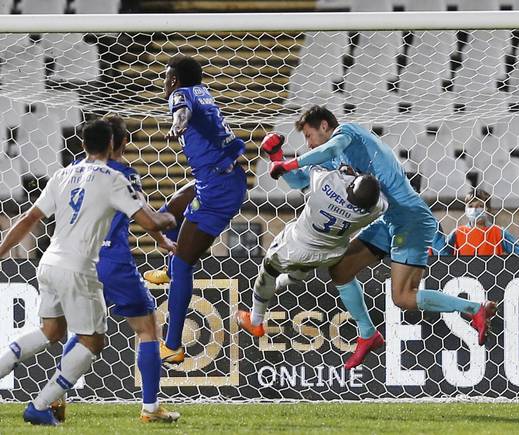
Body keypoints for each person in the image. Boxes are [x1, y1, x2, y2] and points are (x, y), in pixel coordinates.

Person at [268, 106, 497, 347]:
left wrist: (290, 163)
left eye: (308, 136)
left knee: (404, 297)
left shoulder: (348, 133)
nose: (308, 144)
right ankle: (368, 334)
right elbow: (298, 180)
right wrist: (276, 156)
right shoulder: (330, 160)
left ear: (324, 125)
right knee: (340, 269)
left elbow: (330, 148)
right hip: (387, 221)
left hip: (411, 220)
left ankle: (473, 309)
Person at [0, 120, 176, 426]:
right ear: (112, 145)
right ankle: (43, 404)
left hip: (49, 263)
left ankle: (53, 399)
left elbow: (29, 218)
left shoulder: (62, 174)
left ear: (82, 146)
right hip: (88, 266)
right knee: (102, 338)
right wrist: (169, 219)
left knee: (52, 332)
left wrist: (1, 252)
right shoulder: (116, 177)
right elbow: (148, 220)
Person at [55, 115, 180, 423]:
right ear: (121, 142)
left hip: (80, 260)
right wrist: (164, 233)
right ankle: (150, 408)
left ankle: (56, 395)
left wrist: (159, 238)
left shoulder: (74, 170)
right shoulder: (124, 174)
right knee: (147, 329)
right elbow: (143, 213)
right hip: (114, 262)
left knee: (85, 331)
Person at [236, 146, 388, 369]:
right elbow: (382, 200)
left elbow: (312, 168)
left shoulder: (324, 186)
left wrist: (343, 170)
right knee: (301, 270)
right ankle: (290, 281)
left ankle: (256, 320)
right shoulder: (373, 210)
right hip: (330, 255)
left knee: (267, 271)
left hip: (295, 246)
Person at [147, 55, 247, 365]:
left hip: (217, 190)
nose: (165, 83)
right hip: (219, 177)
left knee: (184, 263)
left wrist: (177, 125)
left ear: (174, 79)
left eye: (166, 77)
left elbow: (182, 111)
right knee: (169, 212)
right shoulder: (201, 90)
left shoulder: (180, 95)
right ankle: (168, 269)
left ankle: (173, 345)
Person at [441, 190, 519, 256]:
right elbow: (442, 255)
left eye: (480, 206)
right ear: (465, 209)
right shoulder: (458, 233)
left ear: (488, 209)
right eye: (470, 206)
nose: (475, 210)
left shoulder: (498, 232)